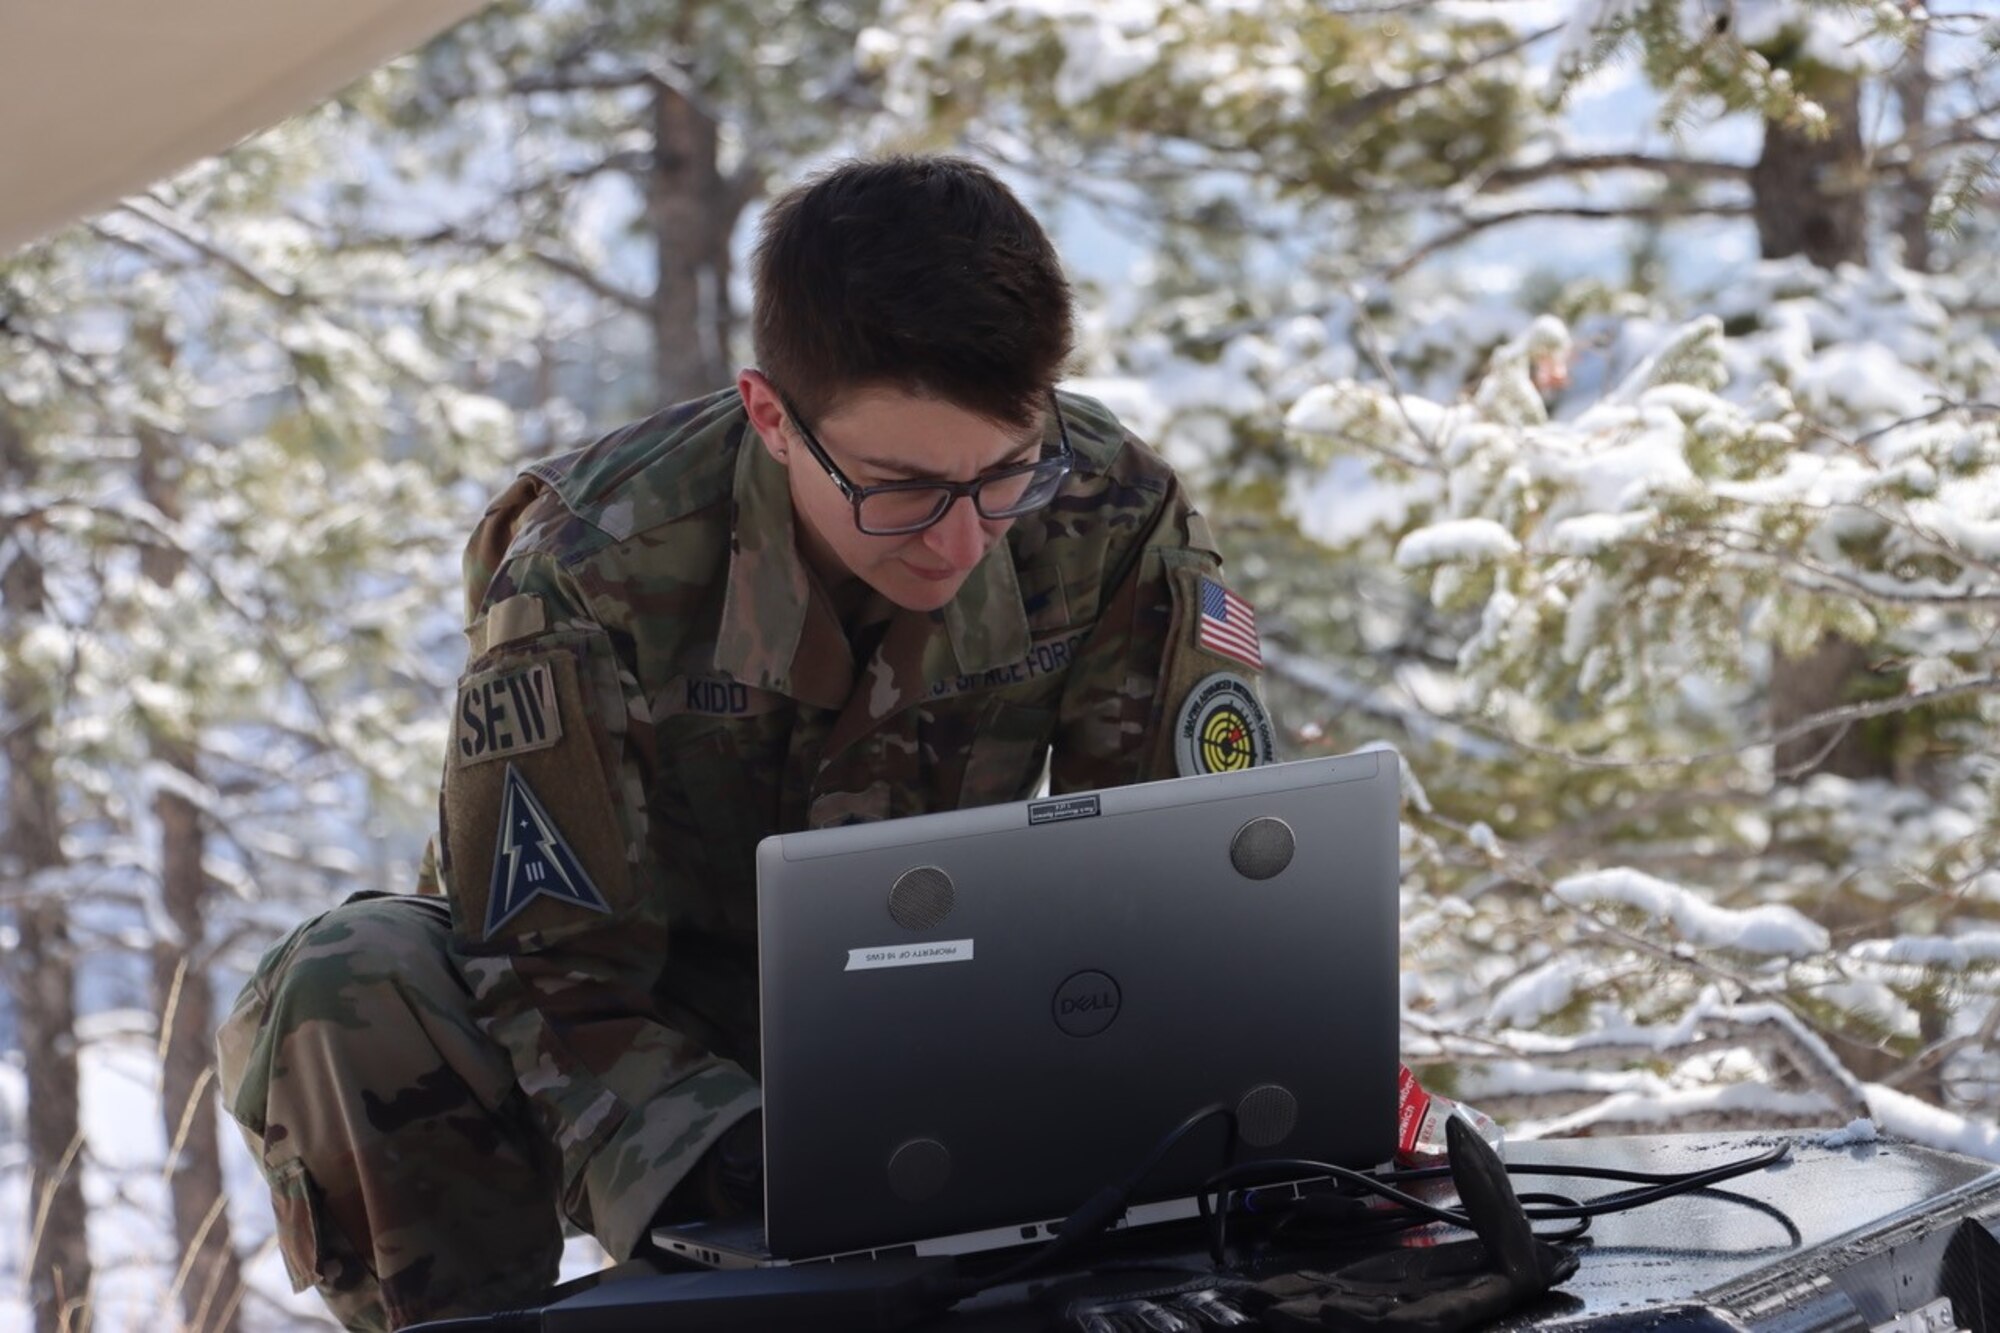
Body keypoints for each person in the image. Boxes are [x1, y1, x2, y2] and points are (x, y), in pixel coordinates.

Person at [216, 154, 1278, 1332]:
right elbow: (545, 970)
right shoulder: (592, 565)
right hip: (646, 1046)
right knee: (349, 975)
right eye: (900, 488)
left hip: (957, 1010)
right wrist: (741, 1166)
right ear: (772, 416)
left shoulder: (1107, 508)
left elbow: (1192, 879)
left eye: (1003, 476)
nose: (961, 539)